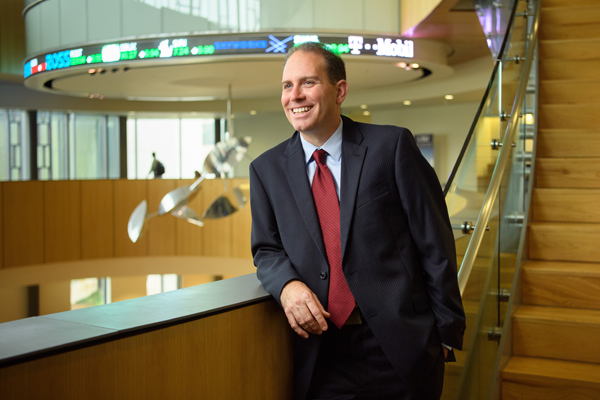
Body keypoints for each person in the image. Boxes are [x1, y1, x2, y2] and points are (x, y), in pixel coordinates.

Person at [250, 42, 465, 400]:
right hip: (321, 354)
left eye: (308, 82)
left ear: (340, 90)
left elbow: (435, 243)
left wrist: (445, 335)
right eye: (287, 86)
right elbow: (266, 249)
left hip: (400, 347)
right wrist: (287, 285)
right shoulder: (266, 170)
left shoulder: (391, 146)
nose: (295, 95)